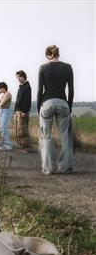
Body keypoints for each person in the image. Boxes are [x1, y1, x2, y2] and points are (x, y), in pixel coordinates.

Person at [37, 45, 74, 174]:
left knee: (46, 136)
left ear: (48, 55)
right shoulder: (68, 67)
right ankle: (65, 167)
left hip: (47, 103)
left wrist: (38, 109)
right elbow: (71, 90)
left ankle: (49, 168)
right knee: (65, 136)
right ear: (58, 54)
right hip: (63, 103)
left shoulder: (43, 68)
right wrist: (69, 106)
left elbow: (39, 90)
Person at [14, 70, 32, 153]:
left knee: (23, 130)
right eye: (17, 77)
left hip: (22, 112)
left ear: (23, 76)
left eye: (19, 77)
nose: (18, 79)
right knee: (19, 130)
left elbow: (27, 100)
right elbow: (18, 100)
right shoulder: (20, 87)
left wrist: (25, 111)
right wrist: (15, 111)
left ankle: (26, 148)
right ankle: (22, 147)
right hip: (18, 112)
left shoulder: (27, 86)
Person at [0, 82, 13, 150]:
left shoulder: (8, 94)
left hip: (6, 111)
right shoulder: (2, 95)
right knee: (2, 128)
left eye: (0, 89)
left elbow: (2, 104)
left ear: (3, 88)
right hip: (1, 111)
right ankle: (5, 144)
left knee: (3, 127)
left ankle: (8, 145)